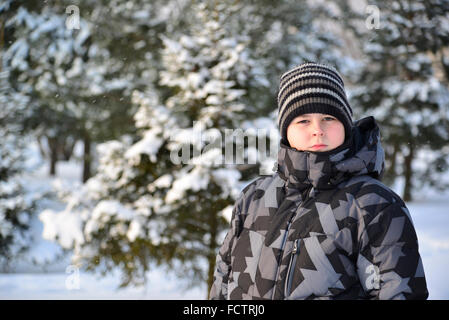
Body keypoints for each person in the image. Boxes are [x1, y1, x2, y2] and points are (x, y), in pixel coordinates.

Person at [209, 62, 428, 300]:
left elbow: (399, 292)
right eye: (303, 120)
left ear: (345, 125)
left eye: (328, 118)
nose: (318, 130)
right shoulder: (254, 196)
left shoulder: (374, 204)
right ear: (286, 130)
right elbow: (223, 278)